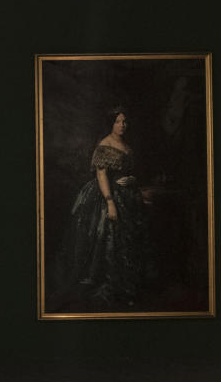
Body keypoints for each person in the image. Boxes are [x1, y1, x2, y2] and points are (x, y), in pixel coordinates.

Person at [57, 107, 154, 310]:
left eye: (125, 121)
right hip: (105, 196)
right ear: (111, 123)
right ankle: (110, 286)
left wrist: (133, 181)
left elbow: (127, 173)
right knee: (109, 238)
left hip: (126, 196)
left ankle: (127, 286)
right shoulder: (105, 144)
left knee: (129, 240)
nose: (122, 125)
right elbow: (102, 176)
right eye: (118, 121)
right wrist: (110, 202)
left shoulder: (126, 145)